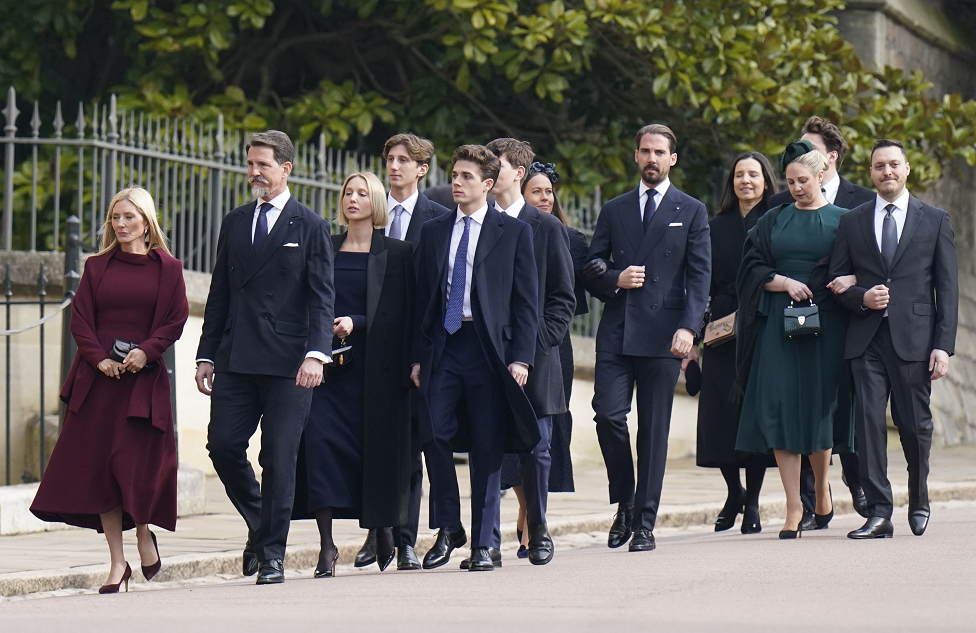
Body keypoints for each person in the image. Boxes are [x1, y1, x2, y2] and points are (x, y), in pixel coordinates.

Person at [31, 187, 189, 593]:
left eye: (128, 217)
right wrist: (99, 357)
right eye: (115, 218)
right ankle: (117, 563)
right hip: (99, 383)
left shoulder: (167, 268)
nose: (120, 224)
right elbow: (80, 319)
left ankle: (142, 533)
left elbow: (175, 319)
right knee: (103, 471)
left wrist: (147, 352)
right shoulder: (96, 267)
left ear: (146, 221)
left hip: (142, 381)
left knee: (133, 467)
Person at [195, 130, 335, 585]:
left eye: (263, 165)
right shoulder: (235, 221)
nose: (253, 172)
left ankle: (272, 554)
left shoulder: (310, 225)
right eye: (250, 163)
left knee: (278, 457)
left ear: (286, 169)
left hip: (291, 364)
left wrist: (317, 355)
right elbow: (219, 293)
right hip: (236, 356)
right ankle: (261, 524)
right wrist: (205, 355)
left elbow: (321, 300)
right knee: (224, 446)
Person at [411, 144, 539, 571]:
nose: (457, 182)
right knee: (434, 433)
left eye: (467, 176)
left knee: (488, 445)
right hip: (444, 345)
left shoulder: (515, 233)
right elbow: (422, 301)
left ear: (487, 183)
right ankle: (450, 526)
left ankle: (484, 544)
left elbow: (526, 303)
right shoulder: (433, 230)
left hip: (490, 350)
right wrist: (417, 356)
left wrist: (520, 357)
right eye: (454, 174)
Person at [584, 124, 711, 552]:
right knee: (608, 416)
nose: (652, 158)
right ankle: (625, 500)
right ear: (636, 157)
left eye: (660, 152)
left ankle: (645, 523)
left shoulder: (691, 209)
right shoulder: (615, 209)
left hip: (665, 334)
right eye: (645, 151)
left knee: (654, 432)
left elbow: (699, 277)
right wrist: (615, 278)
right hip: (617, 331)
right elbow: (592, 265)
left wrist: (689, 329)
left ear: (672, 158)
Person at [828, 139, 958, 539]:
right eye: (879, 166)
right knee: (867, 426)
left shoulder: (934, 219)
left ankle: (919, 499)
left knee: (915, 426)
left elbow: (947, 288)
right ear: (870, 173)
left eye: (893, 165)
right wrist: (861, 297)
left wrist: (943, 345)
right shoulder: (852, 221)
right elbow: (835, 280)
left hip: (915, 341)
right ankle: (880, 512)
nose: (886, 172)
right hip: (866, 340)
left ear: (906, 170)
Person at [295, 171, 415, 577]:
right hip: (326, 371)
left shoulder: (396, 253)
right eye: (348, 192)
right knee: (320, 448)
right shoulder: (324, 247)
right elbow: (306, 299)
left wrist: (356, 322)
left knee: (374, 453)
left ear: (376, 203)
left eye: (362, 193)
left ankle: (381, 528)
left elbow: (399, 313)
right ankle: (327, 547)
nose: (353, 199)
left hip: (373, 371)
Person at [734, 140, 854, 539]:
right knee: (778, 406)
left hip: (828, 327)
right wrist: (782, 281)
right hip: (777, 327)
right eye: (790, 181)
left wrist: (850, 280)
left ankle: (821, 487)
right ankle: (792, 506)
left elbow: (866, 267)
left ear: (822, 176)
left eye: (804, 180)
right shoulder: (773, 220)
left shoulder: (846, 220)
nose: (797, 187)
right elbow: (749, 268)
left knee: (818, 408)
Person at [770, 116, 875, 523]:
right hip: (791, 321)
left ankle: (857, 481)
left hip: (845, 321)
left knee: (840, 406)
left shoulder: (861, 200)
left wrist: (854, 278)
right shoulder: (780, 208)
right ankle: (810, 500)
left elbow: (877, 259)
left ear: (829, 158)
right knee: (800, 404)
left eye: (808, 150)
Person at [354, 133, 450, 572]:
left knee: (411, 448)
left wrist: (422, 355)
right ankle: (377, 535)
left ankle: (407, 538)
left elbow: (436, 294)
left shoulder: (438, 218)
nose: (394, 167)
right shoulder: (368, 215)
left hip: (415, 351)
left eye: (403, 161)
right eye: (390, 159)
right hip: (369, 349)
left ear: (422, 169)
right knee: (372, 444)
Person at [483, 139, 575, 567]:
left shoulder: (547, 228)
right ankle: (485, 541)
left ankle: (537, 527)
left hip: (537, 357)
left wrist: (539, 339)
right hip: (485, 353)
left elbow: (563, 298)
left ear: (518, 172)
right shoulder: (476, 223)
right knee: (488, 447)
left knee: (537, 449)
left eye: (493, 165)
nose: (486, 171)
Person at [690, 152, 777, 534]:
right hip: (722, 332)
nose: (746, 180)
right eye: (740, 175)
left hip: (763, 325)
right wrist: (693, 335)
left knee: (753, 416)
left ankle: (754, 502)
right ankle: (733, 492)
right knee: (719, 415)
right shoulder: (714, 226)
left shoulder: (777, 220)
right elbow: (699, 283)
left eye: (753, 174)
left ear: (765, 180)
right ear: (732, 183)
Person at [504, 161, 586, 558]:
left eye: (548, 193)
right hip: (504, 351)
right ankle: (522, 515)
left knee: (541, 440)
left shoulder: (561, 235)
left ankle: (532, 521)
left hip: (550, 350)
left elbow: (570, 296)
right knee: (506, 446)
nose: (543, 198)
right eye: (537, 191)